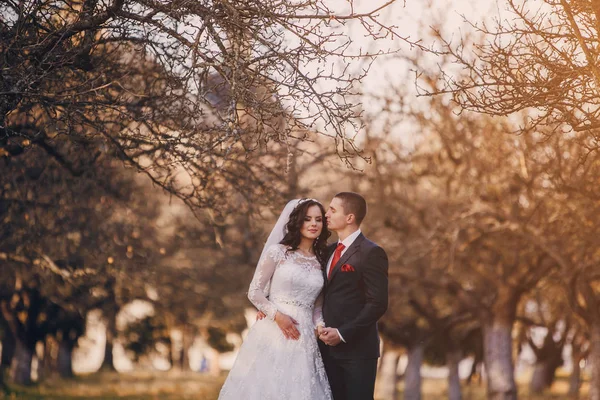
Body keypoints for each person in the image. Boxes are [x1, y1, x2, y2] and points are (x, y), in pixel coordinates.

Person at [218, 198, 333, 400]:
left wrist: (320, 325)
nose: (314, 224)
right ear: (298, 221)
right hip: (273, 331)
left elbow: (317, 306)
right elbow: (255, 291)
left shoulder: (321, 259)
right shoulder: (278, 252)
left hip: (303, 337)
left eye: (318, 219)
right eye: (307, 219)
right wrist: (277, 315)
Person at [318, 192, 389, 400]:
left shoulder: (371, 253)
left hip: (357, 352)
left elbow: (378, 303)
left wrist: (342, 334)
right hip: (326, 350)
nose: (326, 214)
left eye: (332, 209)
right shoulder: (329, 251)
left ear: (349, 218)